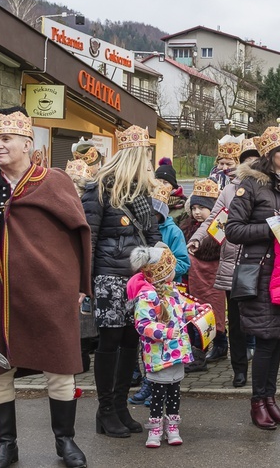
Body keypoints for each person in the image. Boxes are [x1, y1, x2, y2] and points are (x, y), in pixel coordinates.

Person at [0, 106, 92, 468]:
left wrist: (80, 286)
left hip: (49, 294)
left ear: (27, 143)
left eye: (6, 139)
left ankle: (65, 442)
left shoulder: (52, 181)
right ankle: (6, 444)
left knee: (59, 368)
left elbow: (80, 233)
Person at [226, 125, 280, 430]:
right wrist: (273, 226)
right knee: (264, 340)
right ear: (271, 155)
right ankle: (257, 403)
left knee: (277, 340)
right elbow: (233, 230)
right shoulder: (250, 185)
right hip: (259, 271)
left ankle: (270, 400)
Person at [81, 125, 161, 438]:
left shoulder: (142, 193)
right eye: (146, 157)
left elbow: (153, 234)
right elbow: (89, 237)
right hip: (109, 277)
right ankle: (105, 410)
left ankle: (121, 405)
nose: (149, 164)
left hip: (137, 278)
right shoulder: (99, 188)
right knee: (110, 342)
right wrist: (85, 283)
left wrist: (160, 259)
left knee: (132, 340)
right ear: (134, 157)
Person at [188, 137, 260, 387]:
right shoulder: (230, 189)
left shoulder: (269, 188)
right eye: (248, 160)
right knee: (238, 319)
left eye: (256, 160)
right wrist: (197, 238)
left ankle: (262, 371)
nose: (252, 164)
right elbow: (213, 220)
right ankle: (239, 369)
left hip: (263, 261)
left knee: (261, 317)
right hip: (234, 262)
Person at [129, 243, 205, 447]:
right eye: (171, 270)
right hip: (158, 354)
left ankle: (173, 427)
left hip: (176, 353)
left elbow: (183, 310)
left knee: (174, 391)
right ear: (162, 273)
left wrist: (197, 310)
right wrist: (167, 333)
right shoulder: (147, 296)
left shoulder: (172, 293)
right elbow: (143, 325)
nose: (174, 273)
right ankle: (155, 430)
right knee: (157, 393)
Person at [130, 184, 191, 407]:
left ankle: (165, 386)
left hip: (167, 294)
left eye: (154, 213)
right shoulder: (138, 229)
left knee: (167, 339)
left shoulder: (172, 232)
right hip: (146, 292)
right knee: (147, 339)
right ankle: (150, 381)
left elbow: (184, 262)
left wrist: (166, 268)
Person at [180, 179, 227, 363]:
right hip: (193, 279)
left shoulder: (219, 227)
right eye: (194, 208)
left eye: (202, 208)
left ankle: (220, 344)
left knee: (214, 311)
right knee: (196, 313)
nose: (197, 212)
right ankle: (200, 350)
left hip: (213, 276)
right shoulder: (186, 227)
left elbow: (215, 248)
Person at [65, 157, 100, 374]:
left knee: (86, 312)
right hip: (69, 265)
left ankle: (84, 352)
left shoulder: (88, 205)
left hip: (85, 264)